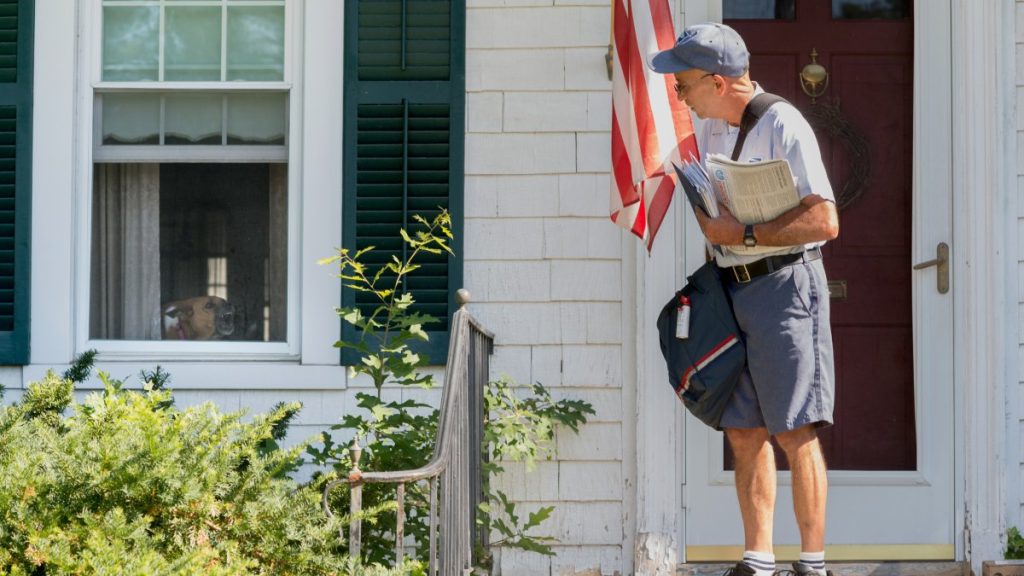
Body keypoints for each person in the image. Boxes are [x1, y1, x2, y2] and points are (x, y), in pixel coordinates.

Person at [649, 22, 839, 576]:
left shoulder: (784, 123)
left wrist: (745, 235)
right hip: (731, 287)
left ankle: (812, 564)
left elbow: (825, 221)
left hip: (784, 288)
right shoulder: (711, 130)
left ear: (717, 81)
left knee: (795, 429)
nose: (679, 95)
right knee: (743, 428)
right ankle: (758, 561)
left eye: (683, 84)